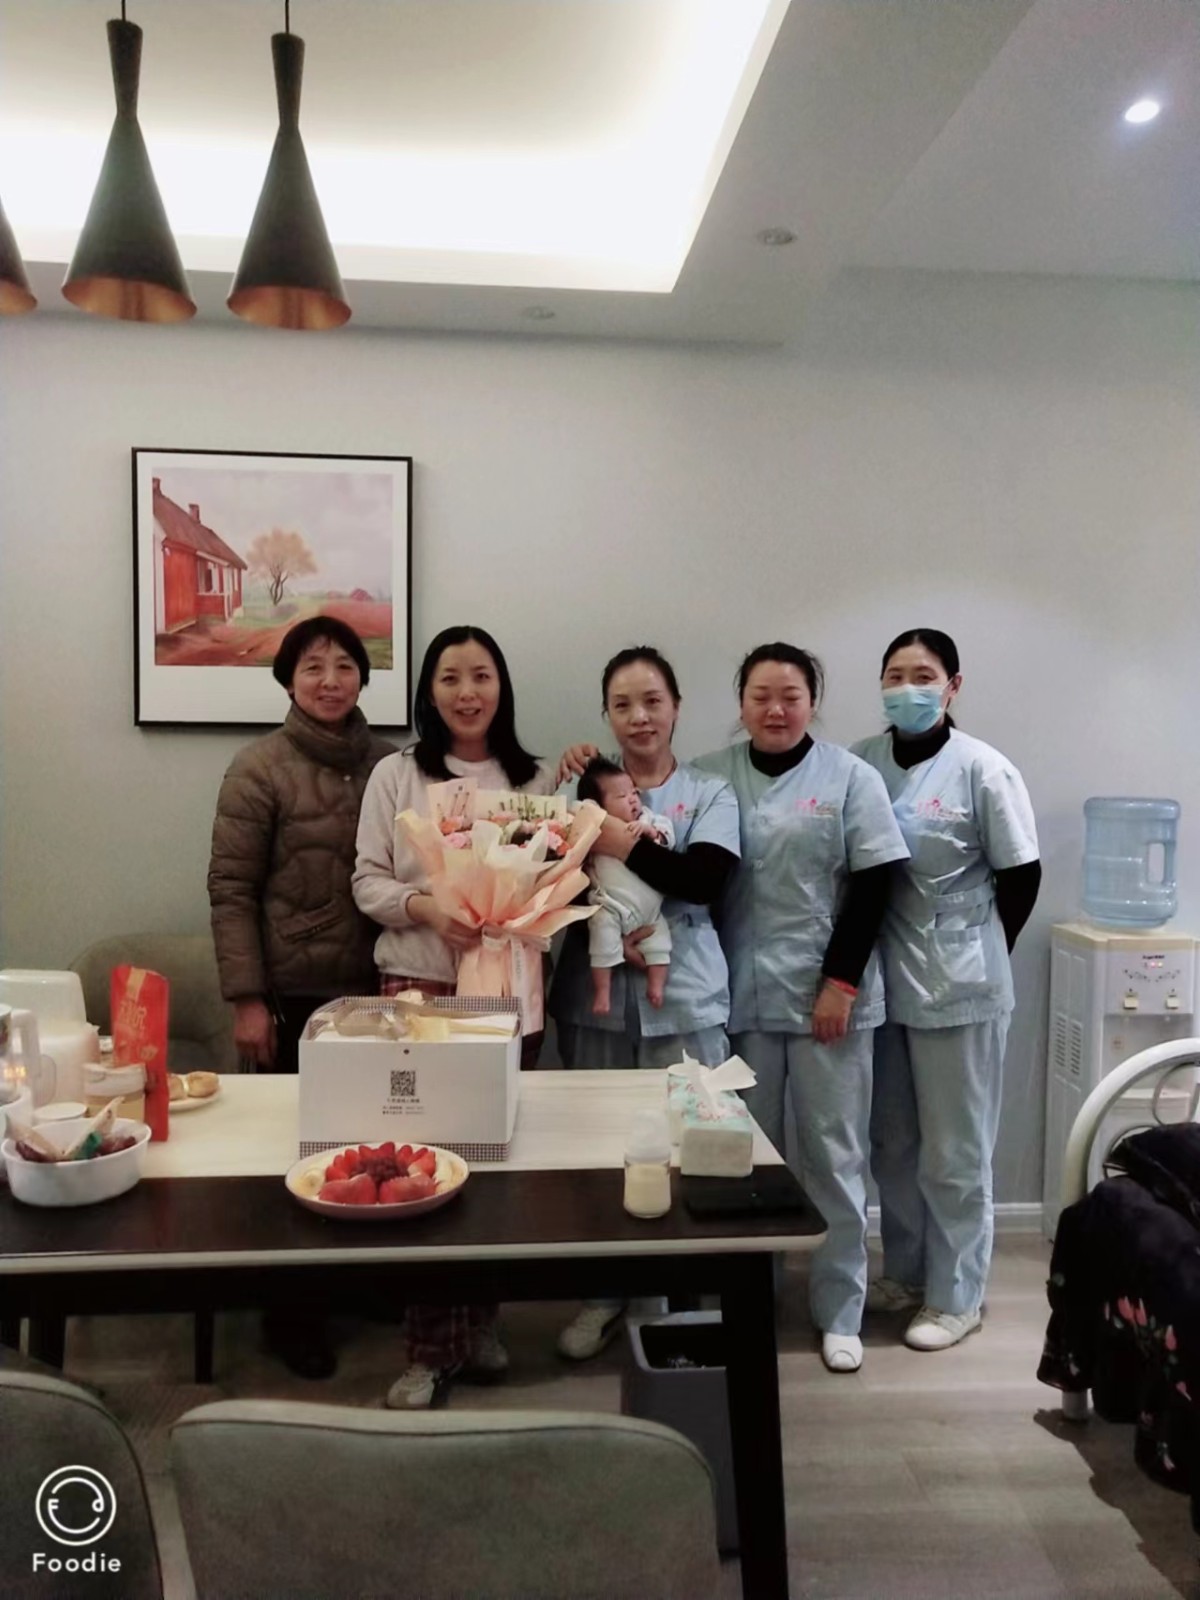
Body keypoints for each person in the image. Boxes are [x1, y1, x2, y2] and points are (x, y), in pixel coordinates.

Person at [353, 624, 555, 1408]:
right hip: (420, 987)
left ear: (502, 685)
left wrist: (524, 910)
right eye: (449, 678)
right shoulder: (396, 774)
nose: (467, 692)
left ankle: (481, 1324)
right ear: (428, 691)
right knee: (422, 1166)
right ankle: (429, 1349)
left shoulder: (533, 776)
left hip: (508, 991)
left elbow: (556, 878)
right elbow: (367, 881)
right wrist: (428, 908)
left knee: (497, 1160)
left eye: (481, 675)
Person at [695, 643, 909, 1373]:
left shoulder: (850, 778)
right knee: (742, 1160)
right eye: (761, 695)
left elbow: (876, 885)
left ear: (812, 702)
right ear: (742, 703)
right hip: (741, 997)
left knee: (834, 1159)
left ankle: (840, 1309)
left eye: (790, 695)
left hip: (829, 1004)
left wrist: (840, 983)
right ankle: (747, 1299)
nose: (776, 709)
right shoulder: (710, 775)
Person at [207, 613, 394, 1377]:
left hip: (377, 992)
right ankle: (291, 1317)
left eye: (344, 665)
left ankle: (358, 1288)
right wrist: (247, 1000)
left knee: (372, 1152)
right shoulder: (258, 768)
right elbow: (231, 890)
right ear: (288, 680)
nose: (329, 680)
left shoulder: (390, 765)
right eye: (312, 666)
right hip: (294, 996)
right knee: (297, 1161)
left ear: (363, 679)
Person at [550, 646, 740, 1361]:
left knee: (692, 1147)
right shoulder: (577, 794)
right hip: (594, 997)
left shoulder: (710, 793)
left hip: (685, 993)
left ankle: (679, 1301)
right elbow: (546, 881)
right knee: (601, 1149)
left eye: (653, 701)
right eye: (623, 704)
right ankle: (604, 1294)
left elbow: (702, 881)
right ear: (606, 714)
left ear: (677, 708)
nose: (639, 716)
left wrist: (614, 839)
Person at [853, 628, 1041, 1352]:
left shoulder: (983, 769)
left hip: (961, 983)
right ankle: (906, 1272)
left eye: (924, 675)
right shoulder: (862, 763)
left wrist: (977, 948)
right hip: (884, 978)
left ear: (954, 686)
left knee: (956, 1151)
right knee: (893, 1141)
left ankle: (958, 1295)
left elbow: (1020, 876)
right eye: (895, 675)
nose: (908, 688)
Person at [577, 756, 675, 1015]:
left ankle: (656, 985)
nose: (632, 799)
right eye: (621, 796)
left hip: (650, 910)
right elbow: (579, 810)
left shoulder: (647, 818)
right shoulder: (595, 827)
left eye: (634, 792)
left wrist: (650, 832)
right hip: (610, 905)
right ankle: (603, 992)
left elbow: (667, 836)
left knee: (660, 943)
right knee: (601, 936)